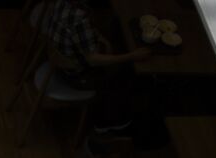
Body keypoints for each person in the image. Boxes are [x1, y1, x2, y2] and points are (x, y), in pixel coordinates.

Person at [40, 0, 151, 130]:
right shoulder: (79, 19)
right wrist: (131, 56)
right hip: (77, 77)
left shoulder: (62, 3)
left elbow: (83, 35)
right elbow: (93, 60)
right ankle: (106, 123)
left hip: (60, 63)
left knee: (115, 29)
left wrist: (99, 38)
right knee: (128, 72)